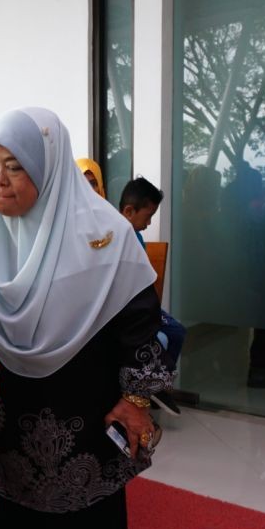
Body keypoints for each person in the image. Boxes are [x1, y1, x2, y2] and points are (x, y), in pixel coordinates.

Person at [0, 108, 174, 529]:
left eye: (15, 166)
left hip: (84, 423)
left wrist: (137, 400)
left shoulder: (103, 236)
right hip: (9, 426)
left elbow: (140, 324)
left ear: (49, 169)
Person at [118, 177, 187, 416]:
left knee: (176, 331)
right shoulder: (118, 237)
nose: (148, 224)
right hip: (126, 308)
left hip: (139, 304)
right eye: (147, 217)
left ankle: (159, 384)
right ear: (129, 211)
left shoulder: (133, 234)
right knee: (165, 335)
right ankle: (155, 385)